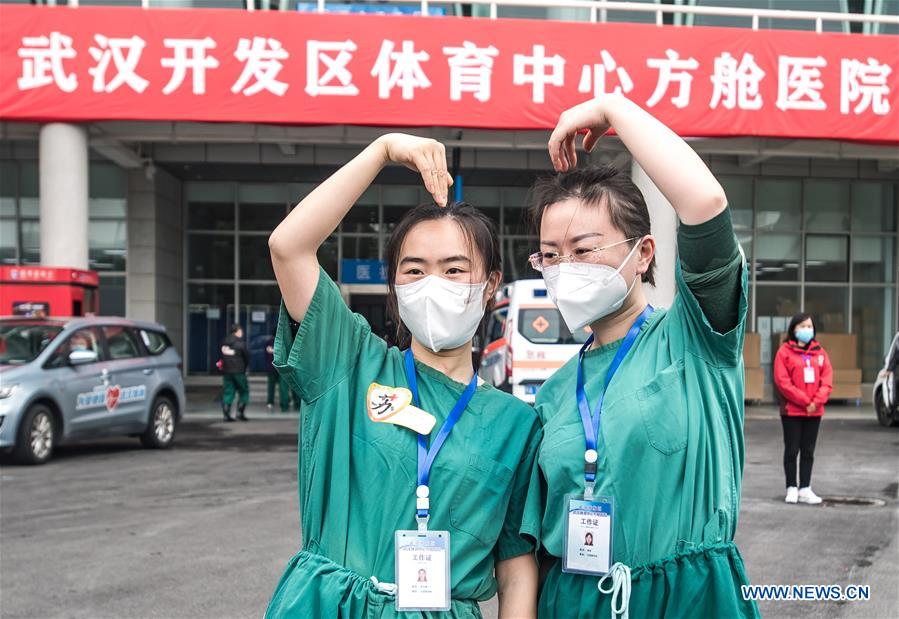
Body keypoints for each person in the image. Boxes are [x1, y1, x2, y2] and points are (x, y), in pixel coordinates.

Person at [265, 133, 541, 618]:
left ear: (491, 283)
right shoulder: (349, 362)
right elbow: (288, 247)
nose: (433, 283)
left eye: (455, 270)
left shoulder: (516, 424)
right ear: (393, 283)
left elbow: (515, 566)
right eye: (414, 270)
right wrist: (382, 150)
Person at [523, 96, 760, 618]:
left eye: (584, 249)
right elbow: (538, 545)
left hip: (689, 599)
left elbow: (705, 205)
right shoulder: (555, 394)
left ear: (644, 252)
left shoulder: (694, 339)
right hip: (576, 599)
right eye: (551, 254)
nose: (565, 268)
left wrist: (615, 110)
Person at [773, 313, 833, 505]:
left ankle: (805, 488)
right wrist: (806, 401)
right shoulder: (784, 352)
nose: (807, 329)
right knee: (791, 450)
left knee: (808, 450)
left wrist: (816, 401)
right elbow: (783, 382)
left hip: (814, 411)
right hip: (792, 411)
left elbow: (827, 380)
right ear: (794, 329)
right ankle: (791, 487)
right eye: (802, 326)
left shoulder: (820, 353)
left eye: (809, 326)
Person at [220, 323, 250, 422]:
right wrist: (245, 368)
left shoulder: (224, 342)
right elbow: (246, 357)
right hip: (239, 371)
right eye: (241, 331)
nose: (242, 333)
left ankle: (226, 415)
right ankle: (240, 413)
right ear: (237, 331)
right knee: (244, 391)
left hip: (227, 371)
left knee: (228, 392)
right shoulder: (240, 343)